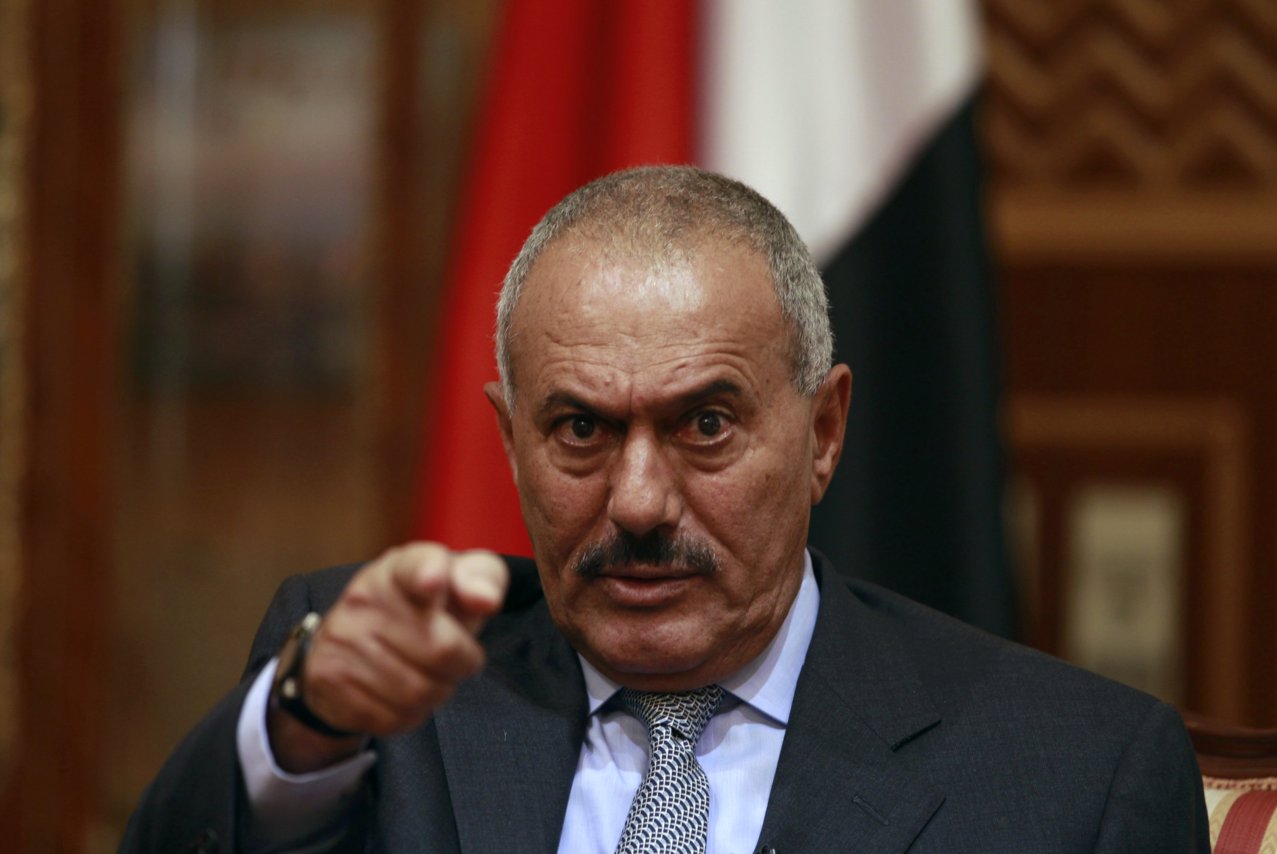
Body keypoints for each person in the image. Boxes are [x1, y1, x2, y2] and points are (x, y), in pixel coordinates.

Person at [122, 166, 1209, 853]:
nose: (637, 502)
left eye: (705, 425)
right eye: (579, 430)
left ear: (823, 431)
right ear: (509, 440)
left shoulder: (1070, 776)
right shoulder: (381, 699)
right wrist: (300, 728)